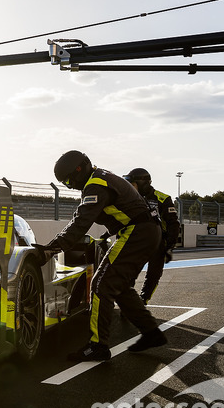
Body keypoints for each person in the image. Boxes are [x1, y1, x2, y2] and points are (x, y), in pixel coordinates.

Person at [34, 150, 167, 362]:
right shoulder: (102, 177)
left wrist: (52, 248)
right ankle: (151, 333)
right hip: (146, 231)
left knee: (100, 285)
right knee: (119, 286)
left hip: (137, 233)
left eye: (69, 181)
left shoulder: (96, 185)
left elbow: (81, 223)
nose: (70, 186)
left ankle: (98, 346)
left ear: (80, 170)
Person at [123, 168, 181, 304]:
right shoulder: (129, 198)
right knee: (129, 272)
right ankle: (127, 300)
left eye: (133, 184)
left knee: (153, 275)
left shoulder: (163, 198)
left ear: (142, 183)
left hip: (158, 242)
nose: (130, 187)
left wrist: (169, 246)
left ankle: (143, 300)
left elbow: (173, 223)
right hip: (137, 241)